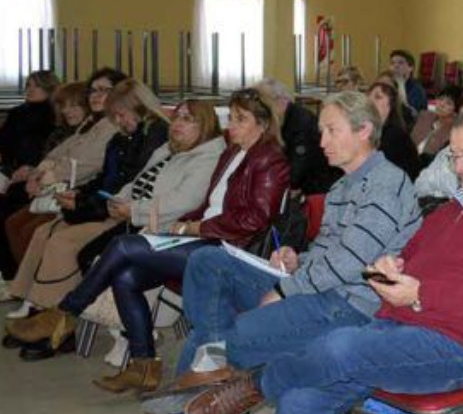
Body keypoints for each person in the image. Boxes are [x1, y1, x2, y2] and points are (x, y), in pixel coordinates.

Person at [168, 109, 463, 414]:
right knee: (299, 402)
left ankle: (259, 382)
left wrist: (419, 292)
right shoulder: (450, 211)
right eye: (454, 156)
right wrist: (391, 266)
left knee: (339, 344)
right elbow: (409, 256)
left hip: (454, 349)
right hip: (395, 329)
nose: (460, 166)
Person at [132, 91, 421, 414]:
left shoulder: (386, 183)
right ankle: (214, 368)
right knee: (208, 263)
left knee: (200, 346)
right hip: (316, 291)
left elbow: (351, 262)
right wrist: (297, 258)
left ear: (364, 131)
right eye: (321, 131)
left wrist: (286, 291)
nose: (321, 142)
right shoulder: (343, 187)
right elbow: (329, 255)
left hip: (349, 308)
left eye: (331, 130)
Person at [4, 88, 289, 366]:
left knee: (122, 245)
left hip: (226, 249)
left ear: (262, 125)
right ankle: (143, 364)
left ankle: (65, 312)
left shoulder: (268, 159)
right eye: (231, 117)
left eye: (241, 119)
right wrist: (187, 224)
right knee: (126, 277)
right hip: (202, 238)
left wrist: (194, 228)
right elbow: (209, 202)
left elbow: (253, 220)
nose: (231, 125)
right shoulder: (232, 154)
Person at [5, 79, 170, 340]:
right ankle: (37, 304)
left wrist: (82, 202)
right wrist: (79, 196)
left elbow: (130, 185)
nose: (119, 119)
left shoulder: (155, 135)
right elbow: (105, 178)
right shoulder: (123, 136)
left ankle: (59, 320)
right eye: (115, 115)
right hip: (108, 206)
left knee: (62, 242)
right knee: (43, 233)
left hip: (124, 214)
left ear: (137, 108)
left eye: (121, 114)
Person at [1, 70, 124, 294]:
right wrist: (39, 172)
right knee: (14, 222)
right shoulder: (92, 122)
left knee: (33, 229)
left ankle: (36, 292)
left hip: (77, 192)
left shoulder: (112, 125)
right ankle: (24, 286)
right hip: (58, 188)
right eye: (93, 91)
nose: (96, 96)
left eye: (103, 91)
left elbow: (88, 164)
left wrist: (43, 176)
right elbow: (59, 153)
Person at [256, 79, 336, 195]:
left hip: (317, 190)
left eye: (265, 104)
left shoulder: (300, 121)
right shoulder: (287, 118)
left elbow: (298, 167)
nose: (263, 110)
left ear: (281, 101)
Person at [0, 70, 59, 189]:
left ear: (49, 89)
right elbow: (4, 143)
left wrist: (32, 168)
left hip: (39, 171)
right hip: (10, 169)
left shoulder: (57, 116)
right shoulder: (16, 113)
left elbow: (54, 149)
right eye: (28, 85)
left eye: (37, 86)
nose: (30, 89)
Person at [366, 81, 422, 180]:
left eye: (378, 97)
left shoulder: (396, 136)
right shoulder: (366, 132)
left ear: (391, 104)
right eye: (368, 96)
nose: (370, 101)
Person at [410, 84, 461, 165]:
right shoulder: (424, 116)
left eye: (448, 103)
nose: (442, 104)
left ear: (456, 110)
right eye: (440, 99)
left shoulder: (454, 132)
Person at [389, 49, 428, 114]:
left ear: (411, 68)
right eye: (392, 63)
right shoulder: (388, 85)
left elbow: (410, 115)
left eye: (401, 63)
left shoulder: (417, 90)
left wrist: (401, 87)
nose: (395, 66)